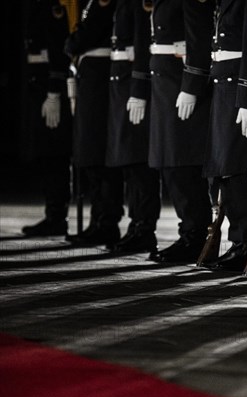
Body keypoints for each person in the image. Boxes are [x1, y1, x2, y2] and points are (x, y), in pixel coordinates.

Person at [199, 0, 247, 271]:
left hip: (237, 88)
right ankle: (238, 240)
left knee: (236, 169)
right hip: (223, 86)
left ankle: (246, 241)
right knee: (223, 170)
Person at [147, 0, 214, 263]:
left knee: (182, 163)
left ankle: (195, 236)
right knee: (170, 164)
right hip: (165, 86)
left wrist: (192, 85)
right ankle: (189, 232)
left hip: (180, 84)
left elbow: (198, 37)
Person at [65, 0, 124, 247]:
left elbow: (81, 39)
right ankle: (98, 219)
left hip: (99, 80)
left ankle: (106, 222)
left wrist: (73, 41)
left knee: (98, 153)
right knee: (90, 155)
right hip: (91, 77)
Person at [106, 0, 161, 254]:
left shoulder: (138, 4)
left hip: (132, 85)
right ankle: (136, 224)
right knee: (129, 164)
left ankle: (144, 228)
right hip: (121, 85)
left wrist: (139, 89)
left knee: (138, 164)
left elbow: (142, 43)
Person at [21, 0, 72, 237]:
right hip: (38, 86)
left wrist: (54, 90)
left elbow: (58, 47)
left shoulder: (52, 5)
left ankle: (56, 216)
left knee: (55, 154)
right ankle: (53, 214)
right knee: (46, 154)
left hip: (50, 87)